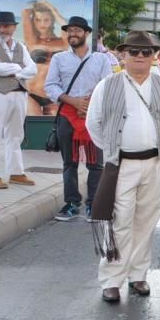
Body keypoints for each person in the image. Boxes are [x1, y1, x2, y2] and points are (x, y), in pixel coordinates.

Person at [86, 31, 160, 303]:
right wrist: (114, 150)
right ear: (122, 54)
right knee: (120, 222)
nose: (140, 56)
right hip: (122, 164)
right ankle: (112, 279)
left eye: (146, 52)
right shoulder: (107, 85)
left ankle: (138, 275)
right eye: (134, 52)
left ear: (154, 56)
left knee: (146, 221)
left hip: (154, 163)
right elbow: (94, 124)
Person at [45, 16, 113, 221]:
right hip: (67, 115)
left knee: (95, 163)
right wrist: (73, 101)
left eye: (77, 30)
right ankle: (72, 203)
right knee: (69, 163)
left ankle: (94, 204)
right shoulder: (59, 59)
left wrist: (90, 106)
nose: (73, 34)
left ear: (87, 33)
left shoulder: (101, 59)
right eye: (70, 31)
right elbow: (50, 86)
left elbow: (107, 86)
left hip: (93, 116)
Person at [0, 11, 37, 189]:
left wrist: (13, 70)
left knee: (16, 135)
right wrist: (19, 68)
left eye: (6, 25)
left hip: (19, 94)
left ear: (14, 27)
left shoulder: (20, 46)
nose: (2, 29)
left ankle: (16, 173)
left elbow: (32, 70)